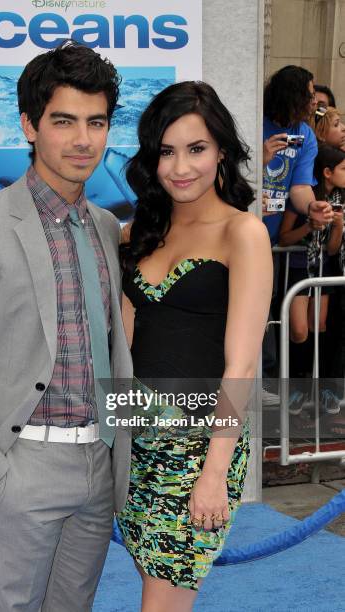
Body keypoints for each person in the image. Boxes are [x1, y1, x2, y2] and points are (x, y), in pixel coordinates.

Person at [0, 41, 133, 612]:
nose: (83, 139)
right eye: (64, 121)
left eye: (96, 122)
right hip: (21, 466)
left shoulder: (107, 227)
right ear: (30, 125)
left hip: (98, 464)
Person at [117, 81, 273, 611]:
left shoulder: (243, 233)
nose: (180, 167)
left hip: (198, 446)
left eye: (196, 149)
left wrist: (213, 473)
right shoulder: (139, 231)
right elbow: (125, 341)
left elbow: (242, 362)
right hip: (135, 435)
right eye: (166, 151)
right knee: (152, 582)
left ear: (222, 151)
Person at [261, 65, 333, 401]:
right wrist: (261, 158)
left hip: (270, 244)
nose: (312, 101)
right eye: (307, 93)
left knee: (265, 313)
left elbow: (300, 187)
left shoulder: (304, 135)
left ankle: (263, 383)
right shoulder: (252, 117)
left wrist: (311, 208)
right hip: (237, 237)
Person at [278, 145, 345, 417]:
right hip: (297, 267)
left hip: (323, 268)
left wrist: (338, 226)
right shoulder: (304, 198)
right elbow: (283, 238)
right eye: (343, 168)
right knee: (299, 331)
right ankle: (294, 383)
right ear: (327, 173)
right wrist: (310, 224)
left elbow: (331, 249)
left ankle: (312, 388)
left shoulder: (340, 198)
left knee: (319, 326)